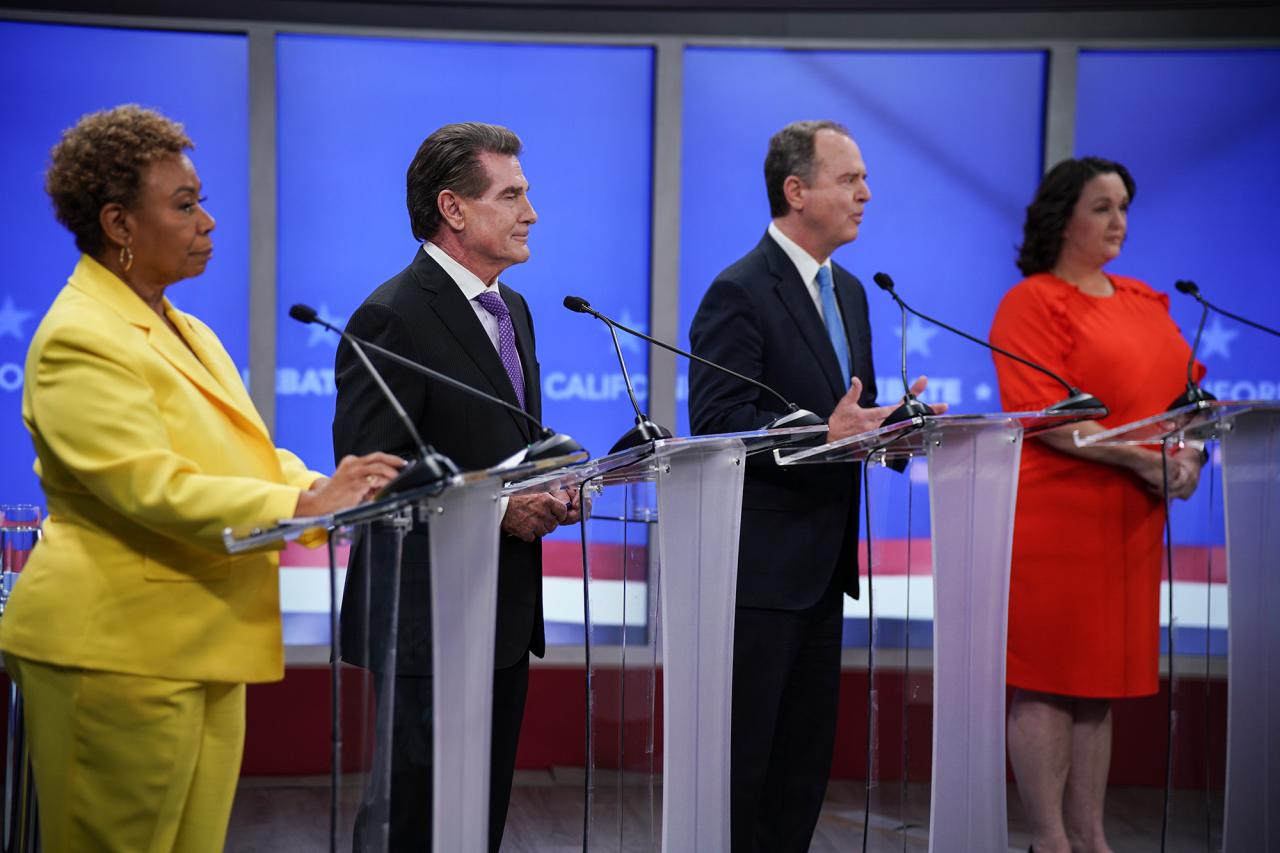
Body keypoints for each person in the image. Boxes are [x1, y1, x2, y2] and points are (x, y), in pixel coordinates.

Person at [0, 105, 403, 853]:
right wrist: (305, 502)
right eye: (184, 206)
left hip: (198, 639)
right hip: (115, 651)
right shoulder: (79, 336)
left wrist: (340, 486)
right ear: (120, 224)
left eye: (202, 200)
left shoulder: (186, 327)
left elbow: (237, 459)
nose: (208, 222)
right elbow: (150, 486)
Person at [688, 120, 940, 852]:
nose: (867, 193)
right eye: (848, 178)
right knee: (746, 767)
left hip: (826, 568)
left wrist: (894, 429)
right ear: (796, 191)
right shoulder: (738, 291)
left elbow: (846, 418)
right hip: (757, 574)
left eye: (863, 178)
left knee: (802, 768)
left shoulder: (854, 293)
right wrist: (822, 435)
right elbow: (717, 423)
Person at [333, 122, 578, 852]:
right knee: (413, 822)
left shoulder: (515, 310)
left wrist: (560, 481)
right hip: (426, 619)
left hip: (500, 611)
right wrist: (501, 509)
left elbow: (509, 444)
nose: (531, 212)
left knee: (477, 825)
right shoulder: (392, 315)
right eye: (513, 195)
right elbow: (372, 472)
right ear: (455, 208)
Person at [989, 156, 1206, 853]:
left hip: (1130, 521)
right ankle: (1049, 839)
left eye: (1124, 207)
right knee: (1051, 681)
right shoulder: (1033, 301)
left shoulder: (1145, 301)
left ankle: (1090, 835)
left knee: (1098, 684)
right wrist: (1145, 460)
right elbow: (1045, 417)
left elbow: (1188, 403)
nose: (1119, 221)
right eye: (1103, 207)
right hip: (1060, 519)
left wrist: (1191, 453)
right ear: (1063, 217)